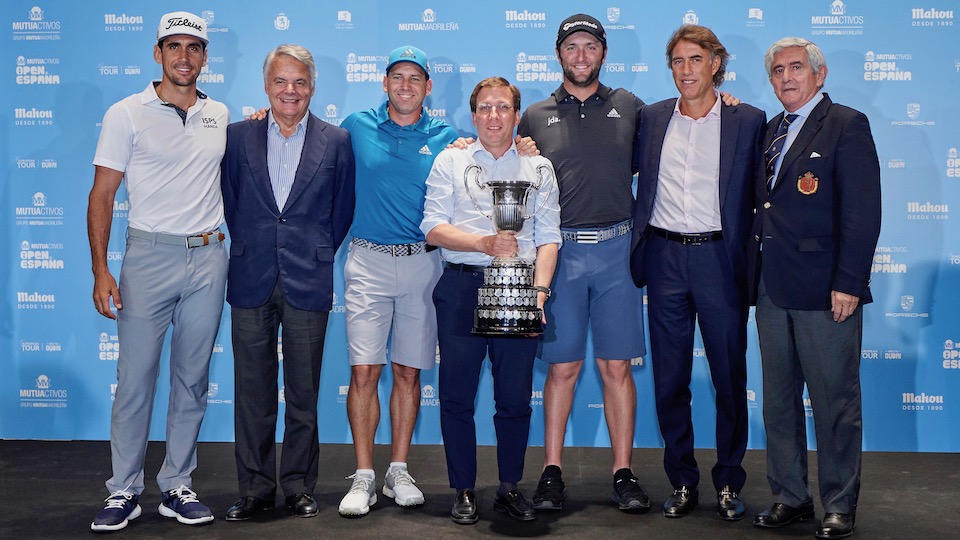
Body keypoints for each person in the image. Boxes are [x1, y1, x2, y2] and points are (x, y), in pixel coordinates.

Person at [87, 11, 228, 532]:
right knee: (135, 381)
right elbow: (102, 195)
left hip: (209, 257)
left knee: (192, 380)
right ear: (158, 53)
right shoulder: (126, 113)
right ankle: (123, 490)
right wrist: (101, 270)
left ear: (205, 56)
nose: (184, 57)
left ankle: (176, 484)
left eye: (194, 47)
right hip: (147, 258)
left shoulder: (220, 114)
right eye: (174, 46)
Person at [630, 25, 765, 522]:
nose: (686, 70)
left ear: (715, 64)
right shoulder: (650, 117)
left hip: (719, 261)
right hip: (664, 258)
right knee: (670, 379)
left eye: (695, 60)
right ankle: (682, 480)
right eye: (678, 61)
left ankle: (729, 480)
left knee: (730, 377)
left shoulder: (748, 120)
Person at [749, 37, 881, 540]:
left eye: (796, 68)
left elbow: (862, 213)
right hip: (771, 288)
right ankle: (790, 496)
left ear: (819, 75)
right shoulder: (769, 131)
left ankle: (839, 504)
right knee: (779, 402)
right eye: (777, 70)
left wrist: (849, 283)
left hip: (827, 292)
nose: (786, 77)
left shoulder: (847, 124)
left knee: (833, 404)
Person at [517, 13, 649, 513]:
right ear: (558, 54)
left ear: (603, 53)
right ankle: (551, 472)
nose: (580, 56)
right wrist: (466, 144)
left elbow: (681, 128)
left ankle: (623, 472)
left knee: (616, 367)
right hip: (560, 253)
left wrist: (724, 102)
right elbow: (502, 158)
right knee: (563, 367)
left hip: (617, 250)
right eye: (571, 47)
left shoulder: (630, 107)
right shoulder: (534, 116)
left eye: (590, 46)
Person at [220, 45, 355, 522]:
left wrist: (315, 250)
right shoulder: (237, 136)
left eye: (299, 81)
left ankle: (298, 485)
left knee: (303, 392)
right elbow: (231, 201)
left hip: (308, 277)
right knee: (252, 391)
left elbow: (342, 209)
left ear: (312, 87)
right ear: (266, 86)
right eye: (280, 81)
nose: (290, 90)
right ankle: (255, 488)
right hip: (250, 275)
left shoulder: (337, 141)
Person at [420, 77, 561, 525]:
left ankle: (509, 486)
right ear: (473, 115)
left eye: (502, 107)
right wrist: (482, 243)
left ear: (517, 115)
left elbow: (549, 237)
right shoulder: (451, 159)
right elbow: (432, 226)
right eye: (485, 108)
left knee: (515, 399)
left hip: (520, 289)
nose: (493, 116)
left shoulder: (539, 168)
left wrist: (540, 293)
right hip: (462, 285)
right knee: (456, 396)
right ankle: (462, 488)